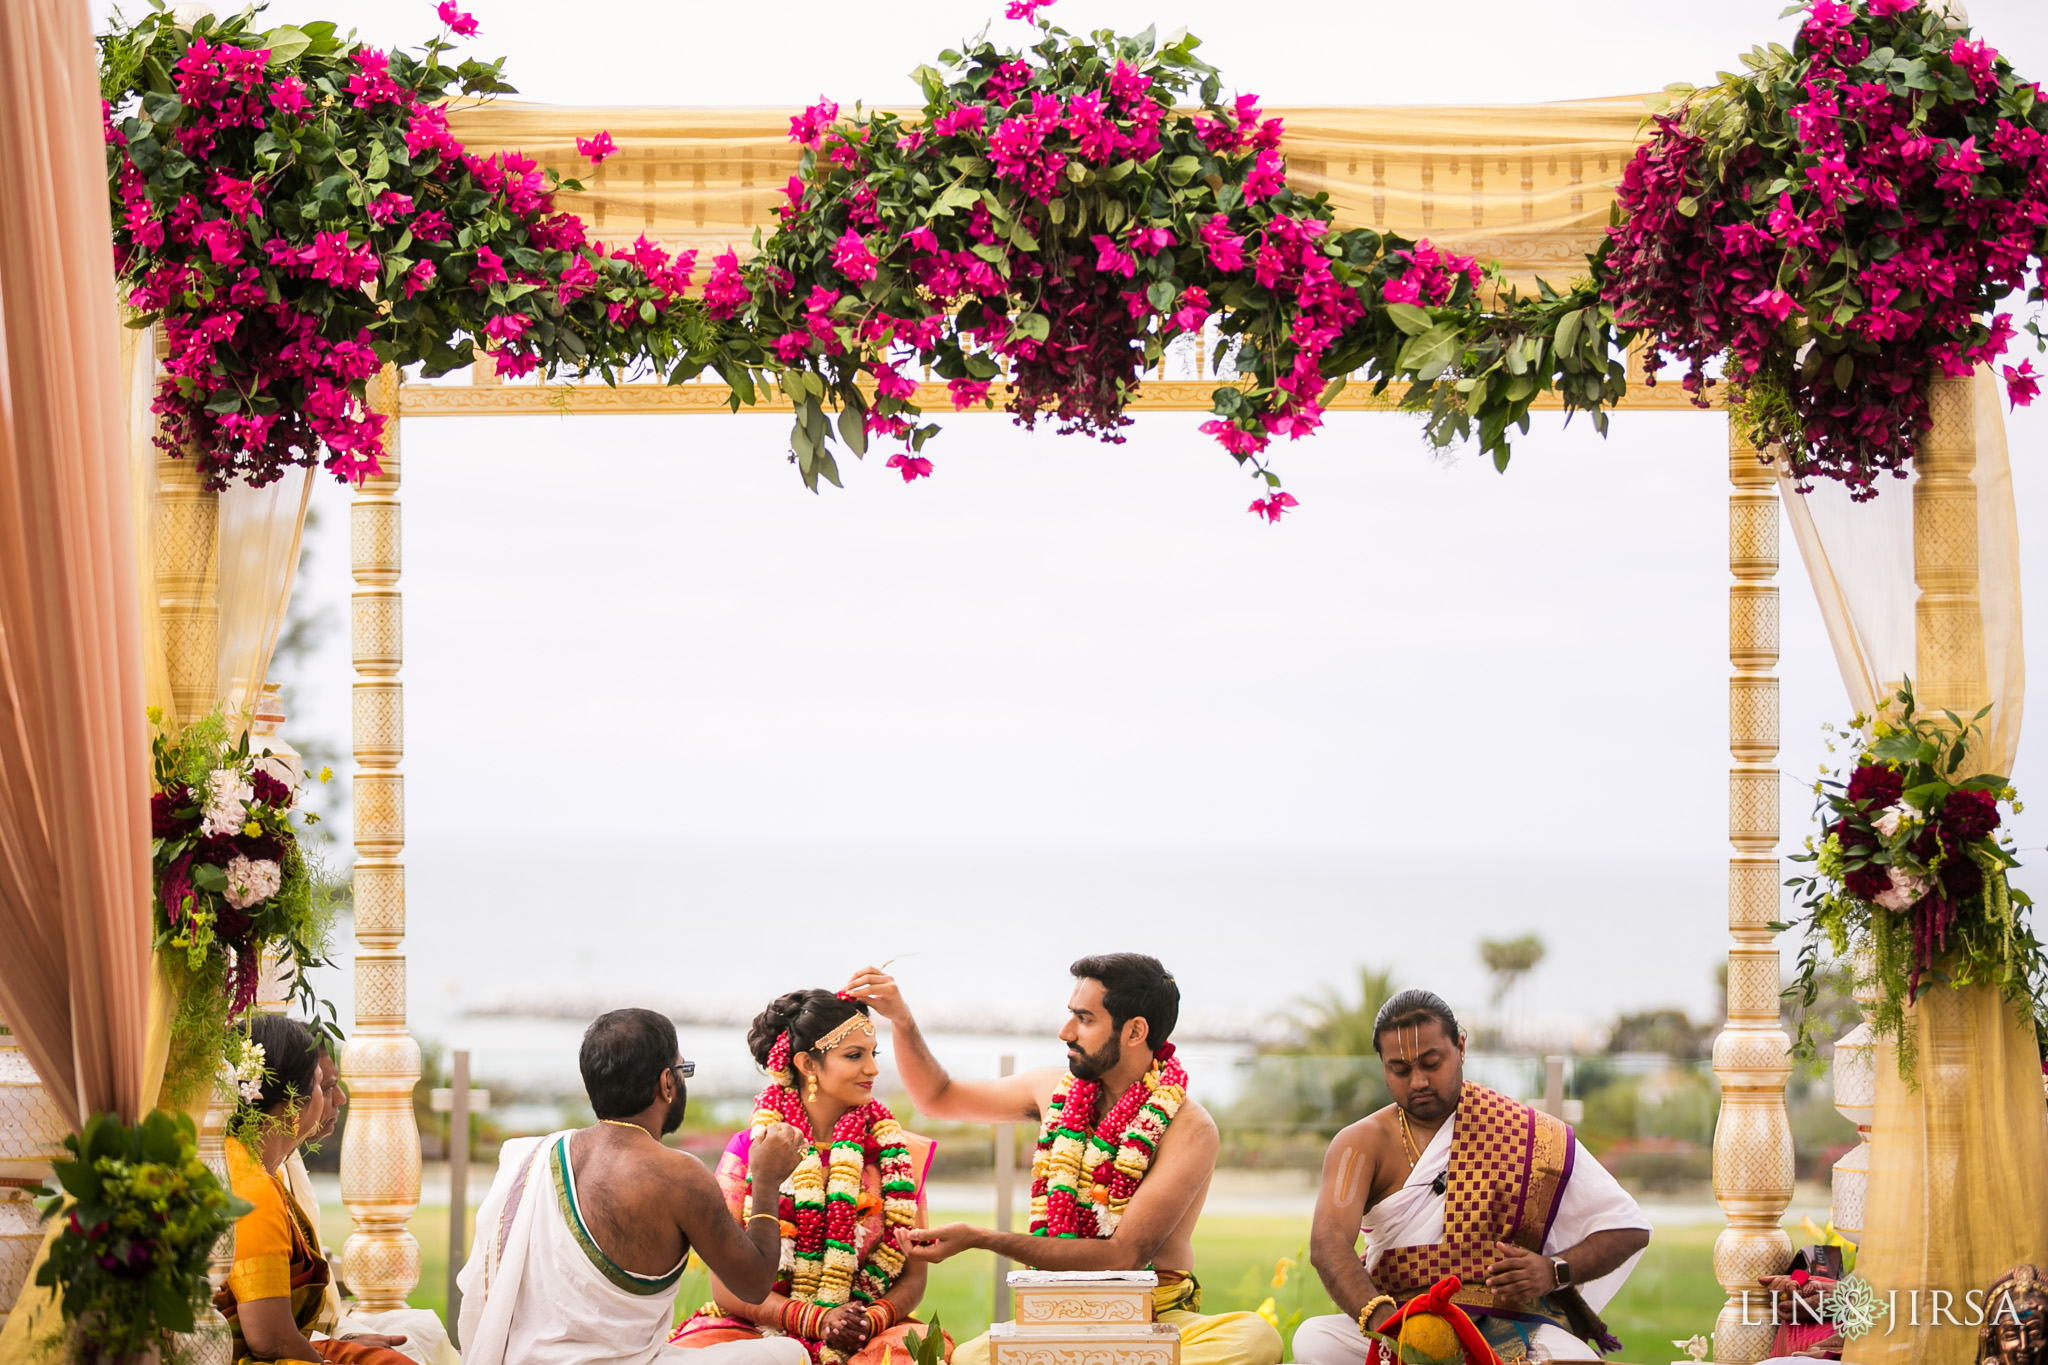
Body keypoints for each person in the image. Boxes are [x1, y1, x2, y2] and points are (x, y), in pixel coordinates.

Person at [843, 954, 1281, 1365]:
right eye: (1071, 1013)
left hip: (1154, 1318)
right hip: (1050, 1311)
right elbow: (937, 1097)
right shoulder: (1053, 1091)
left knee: (1254, 1338)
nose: (1065, 1031)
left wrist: (984, 1238)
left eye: (1084, 1018)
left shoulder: (1189, 1128)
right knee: (969, 1358)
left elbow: (1123, 1256)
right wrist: (901, 1021)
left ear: (1134, 1031)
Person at [1292, 991, 1652, 1365]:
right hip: (1397, 1318)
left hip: (1508, 1321)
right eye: (1399, 1069)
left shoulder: (1524, 1133)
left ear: (1460, 1047)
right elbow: (1328, 1243)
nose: (1417, 1081)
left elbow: (1628, 1228)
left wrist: (1554, 1270)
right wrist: (1396, 1329)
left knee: (1576, 1361)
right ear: (1382, 1065)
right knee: (1314, 1340)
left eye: (1431, 1063)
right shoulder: (1359, 1145)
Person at [455, 1008, 810, 1365]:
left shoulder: (532, 1154)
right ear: (666, 1083)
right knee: (788, 1355)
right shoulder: (678, 1174)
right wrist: (766, 1179)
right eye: (682, 1071)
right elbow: (754, 1284)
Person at [670, 990, 951, 1364]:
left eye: (873, 1053)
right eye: (855, 1055)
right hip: (757, 1329)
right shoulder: (750, 1151)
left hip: (866, 1332)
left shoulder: (898, 1154)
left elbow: (913, 1279)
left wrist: (868, 1320)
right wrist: (816, 1321)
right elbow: (725, 1288)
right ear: (807, 1064)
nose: (873, 1069)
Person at [217, 1013, 413, 1364]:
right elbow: (268, 1341)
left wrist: (337, 1341)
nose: (336, 1098)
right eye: (321, 1084)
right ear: (293, 1101)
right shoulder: (251, 1186)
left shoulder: (248, 1163)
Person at [279, 1042, 462, 1365]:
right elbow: (270, 1327)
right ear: (291, 1096)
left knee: (426, 1329)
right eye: (327, 1087)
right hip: (301, 1339)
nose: (340, 1099)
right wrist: (338, 1343)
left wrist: (344, 1333)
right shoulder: (260, 1174)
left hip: (322, 1329)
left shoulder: (285, 1159)